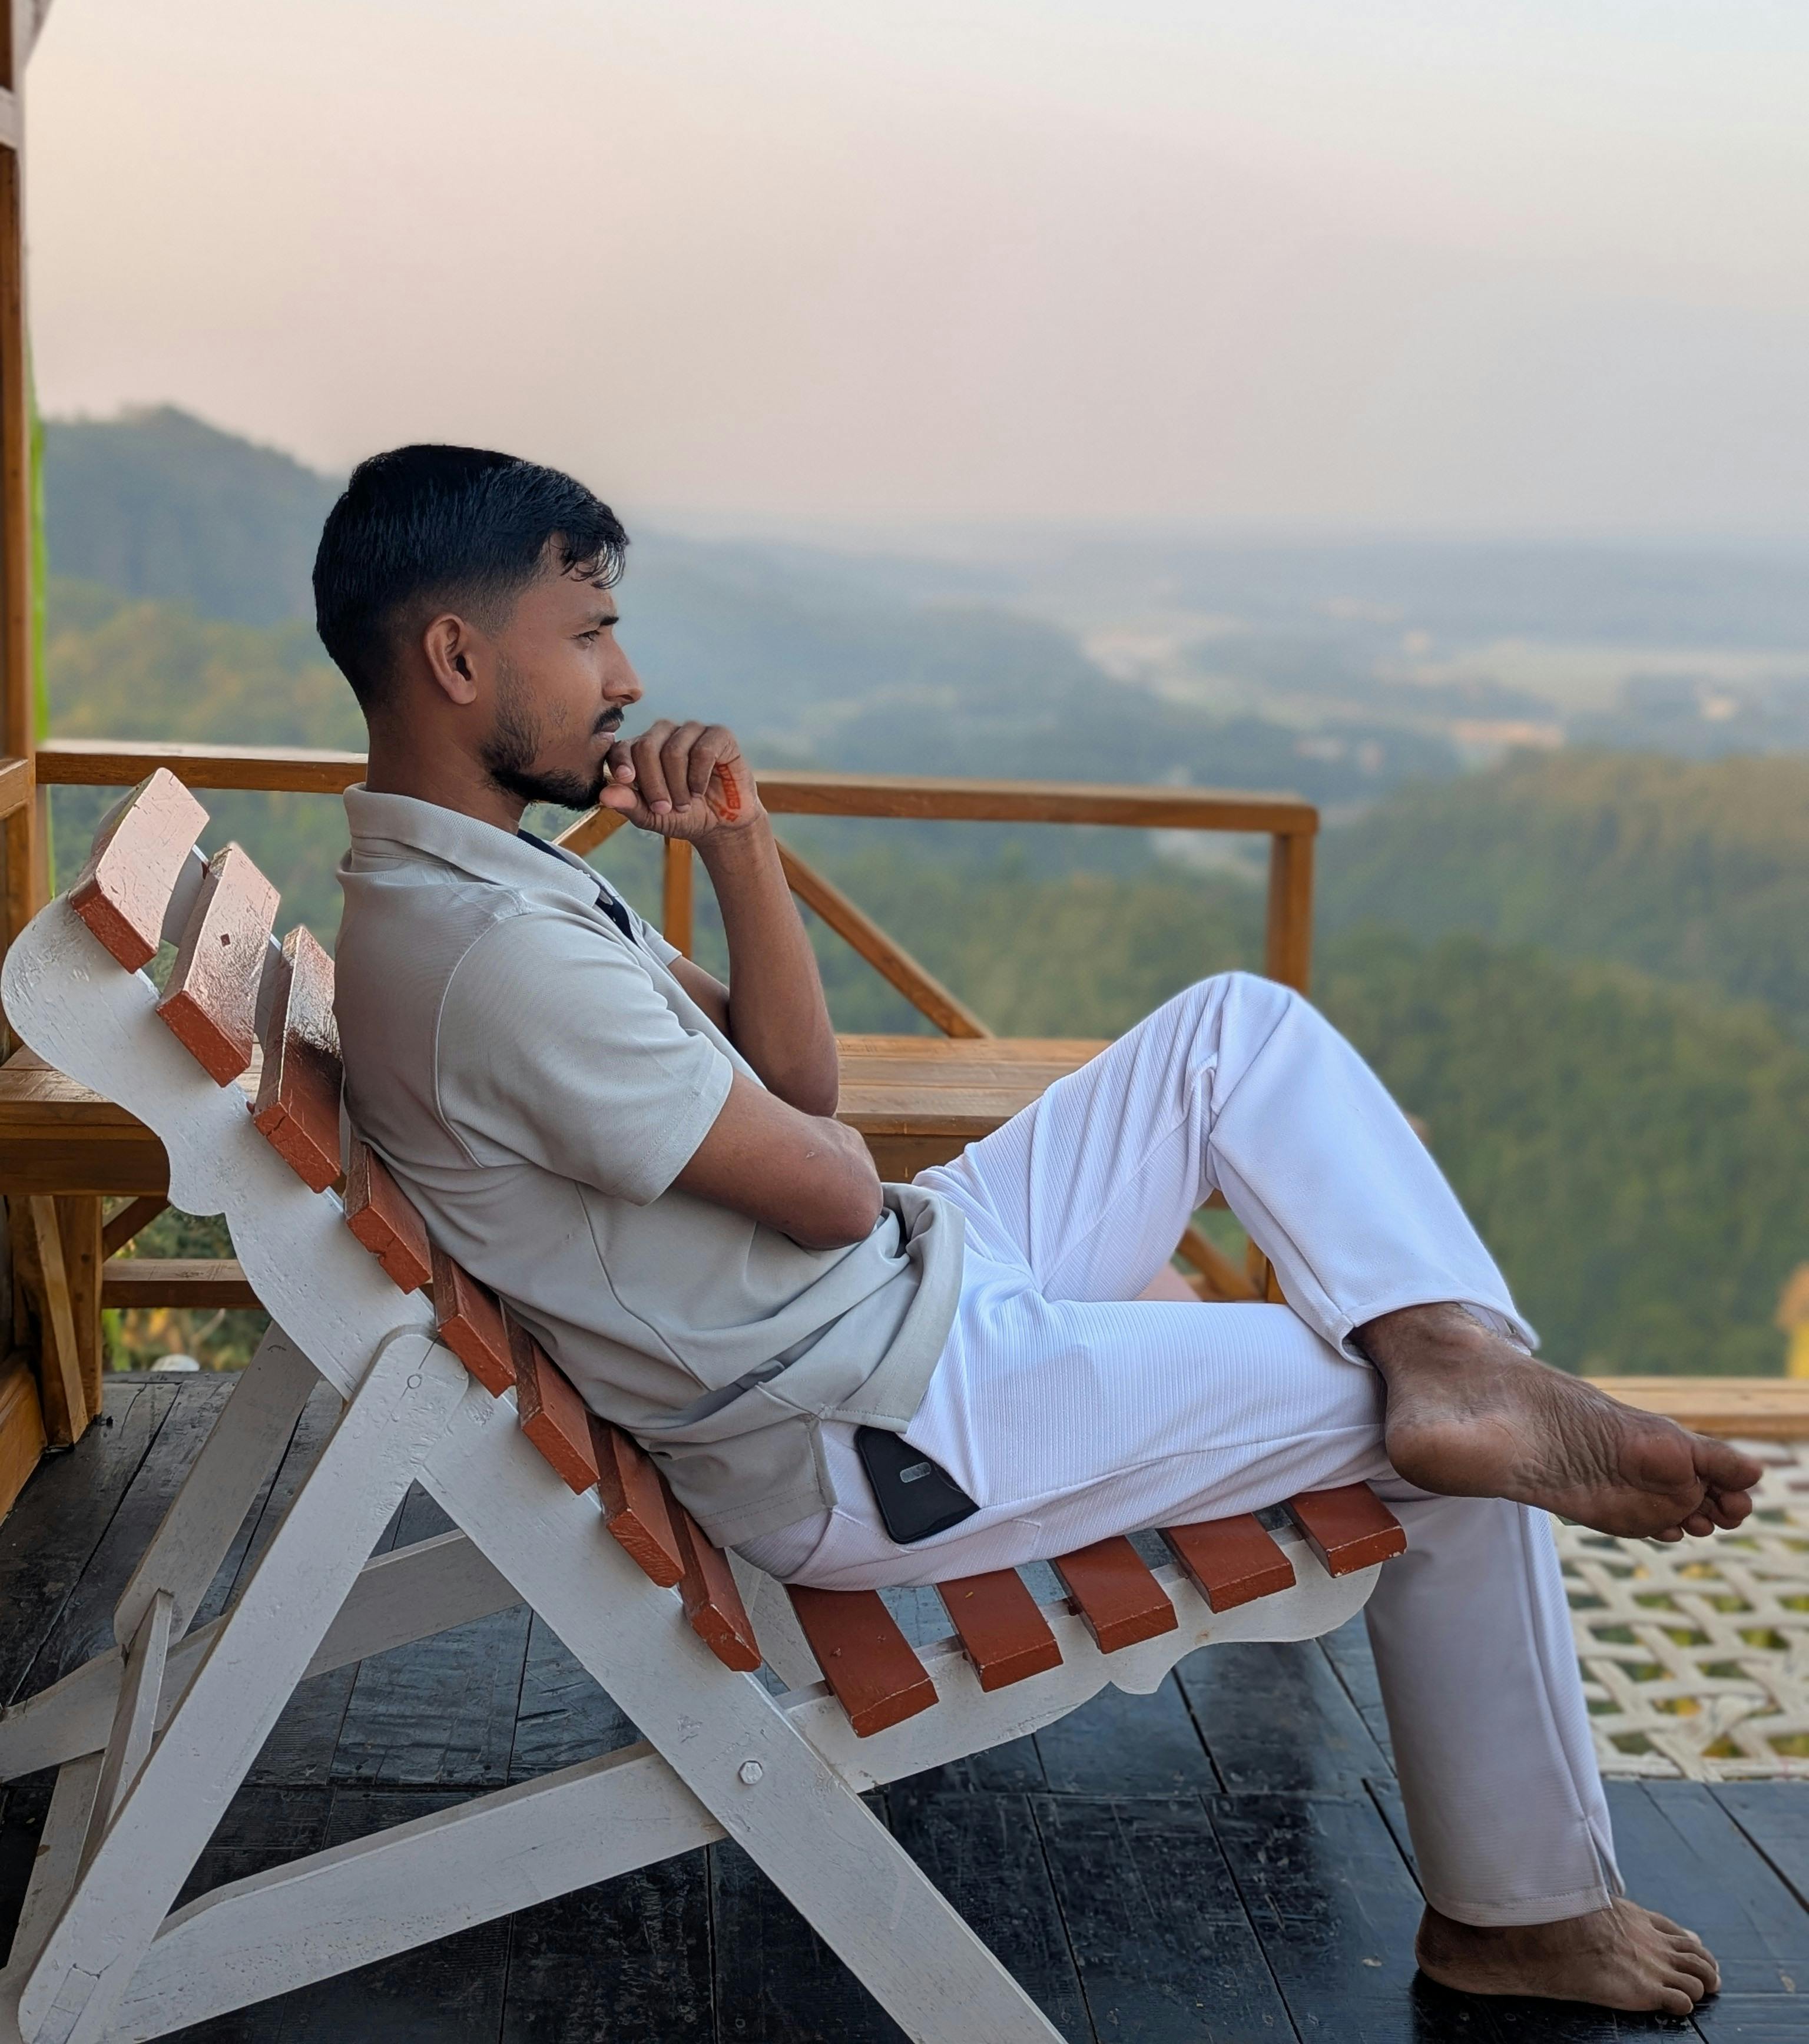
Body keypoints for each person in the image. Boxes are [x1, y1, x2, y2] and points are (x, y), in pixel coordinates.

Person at [316, 443, 1758, 2020]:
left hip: (881, 1304)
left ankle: (1454, 1352)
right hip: (877, 1419)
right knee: (1430, 1447)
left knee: (1235, 1035)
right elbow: (829, 1174)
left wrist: (738, 843)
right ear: (459, 659)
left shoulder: (483, 895)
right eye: (587, 630)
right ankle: (1517, 1906)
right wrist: (831, 1169)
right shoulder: (494, 964)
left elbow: (800, 1094)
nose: (629, 671)